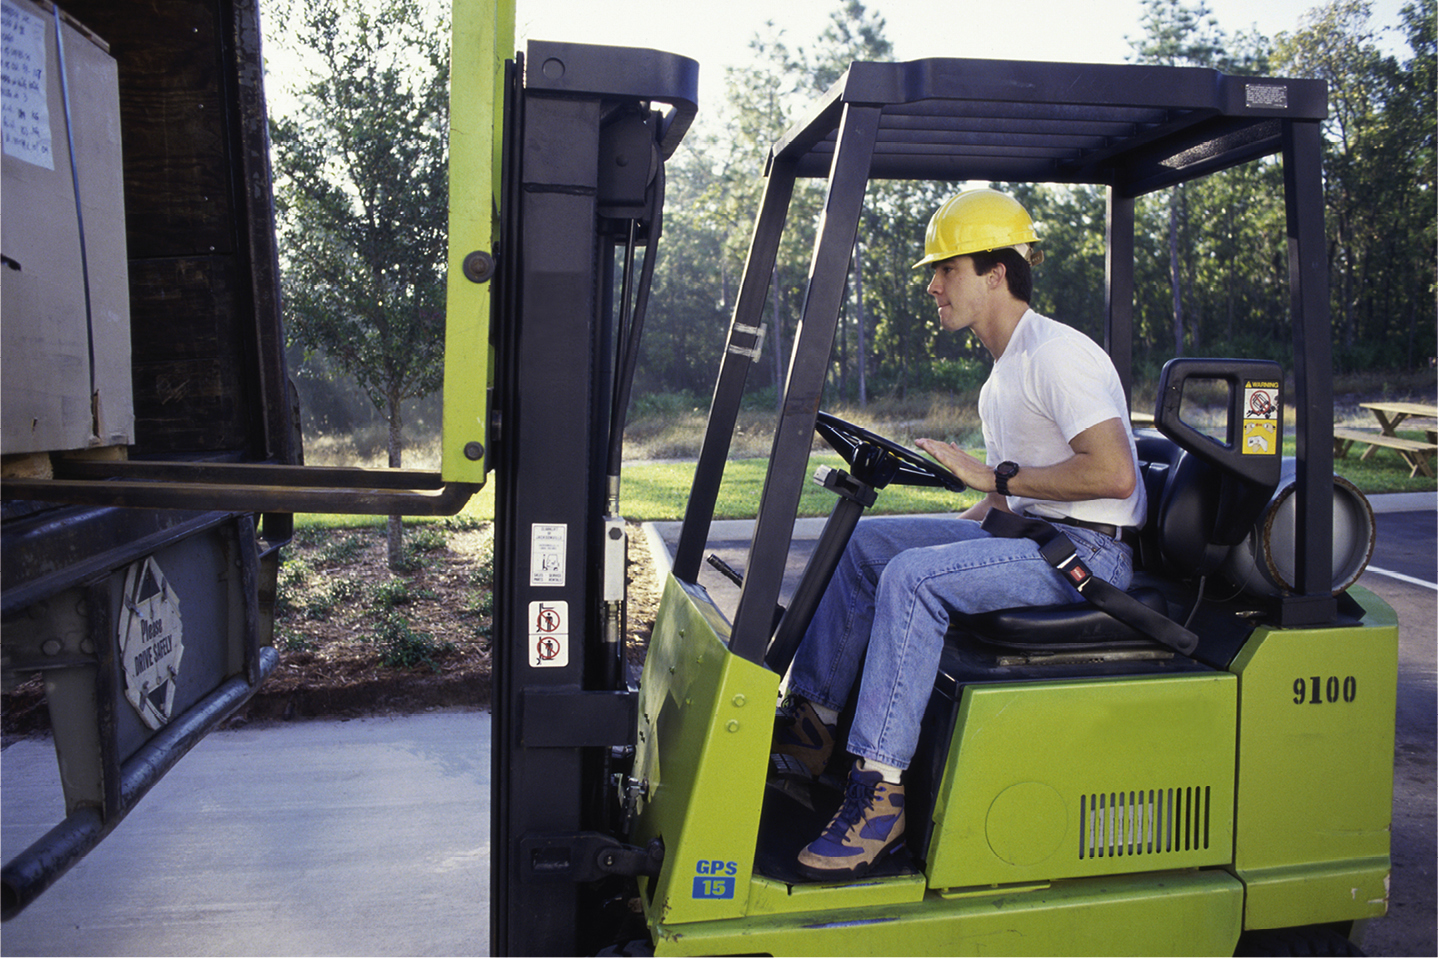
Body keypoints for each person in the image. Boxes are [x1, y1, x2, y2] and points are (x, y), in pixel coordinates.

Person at [773, 188, 1146, 880]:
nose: (934, 285)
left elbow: (1114, 475)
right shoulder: (1004, 370)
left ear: (997, 273)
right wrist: (963, 514)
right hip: (1032, 537)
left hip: (1085, 558)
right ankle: (809, 733)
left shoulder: (1058, 354)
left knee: (913, 581)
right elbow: (1002, 498)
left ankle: (879, 797)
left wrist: (990, 475)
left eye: (947, 269)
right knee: (868, 546)